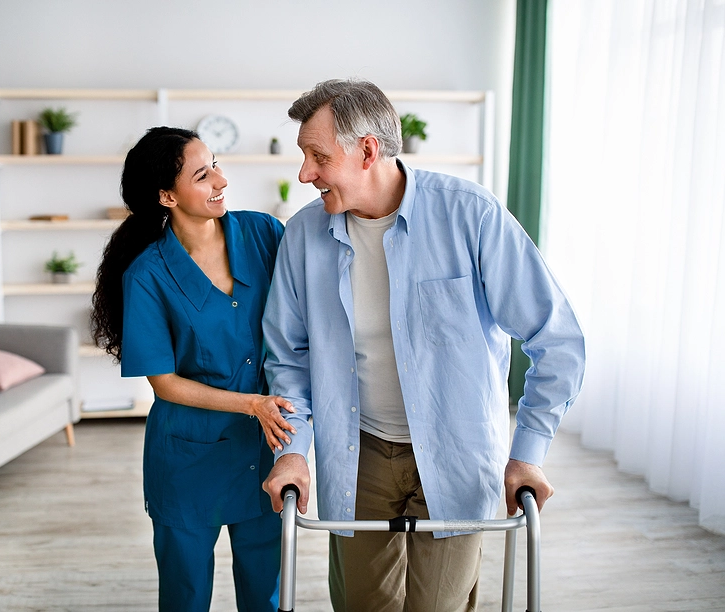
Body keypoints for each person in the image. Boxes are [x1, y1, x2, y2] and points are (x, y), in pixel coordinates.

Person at [261, 80, 586, 611]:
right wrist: (293, 450)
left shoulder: (470, 216)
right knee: (361, 605)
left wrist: (528, 452)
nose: (305, 174)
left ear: (367, 150)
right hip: (357, 450)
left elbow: (558, 339)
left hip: (457, 452)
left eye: (318, 156)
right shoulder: (302, 237)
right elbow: (289, 358)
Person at [91, 126, 295, 612]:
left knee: (266, 593)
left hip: (264, 450)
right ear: (167, 196)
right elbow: (164, 384)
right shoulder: (147, 275)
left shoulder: (264, 233)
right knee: (185, 596)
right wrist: (252, 404)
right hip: (187, 461)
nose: (221, 180)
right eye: (202, 175)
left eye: (217, 165)